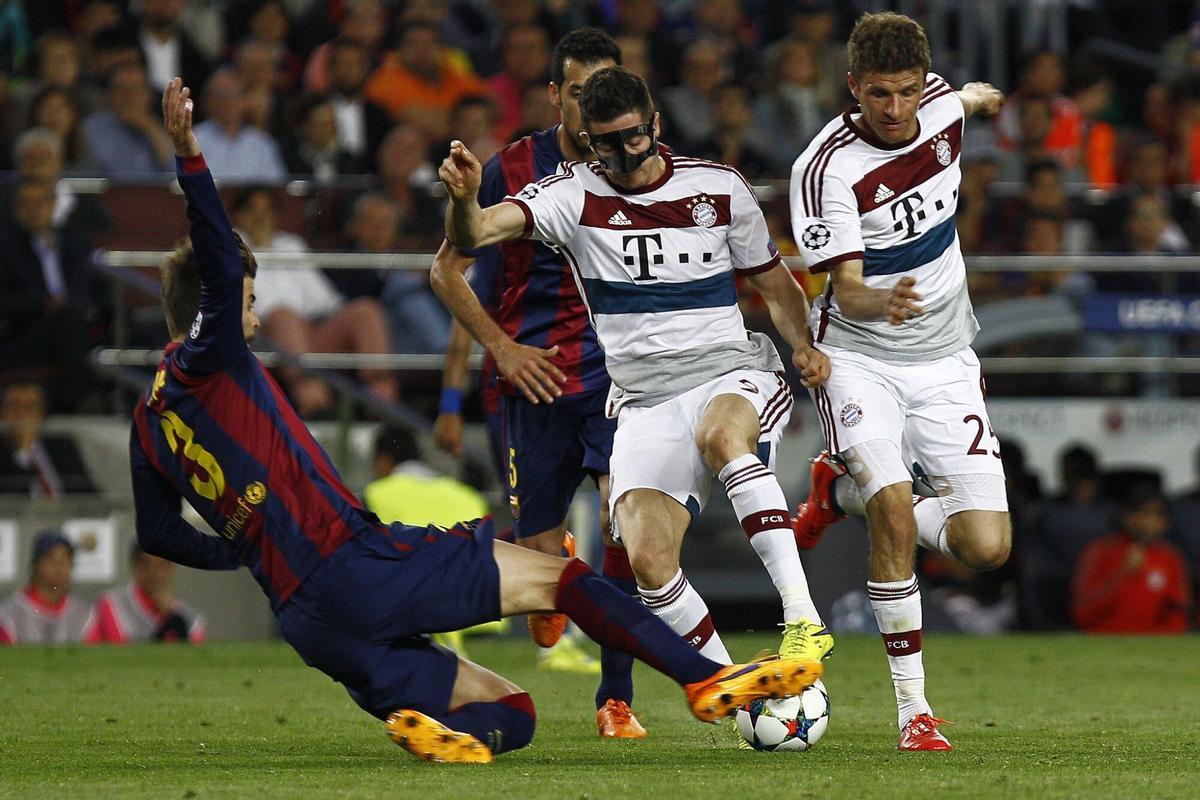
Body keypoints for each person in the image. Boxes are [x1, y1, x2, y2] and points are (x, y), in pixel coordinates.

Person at [129, 77, 821, 765]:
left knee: (512, 714)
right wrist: (189, 153)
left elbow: (158, 533)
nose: (252, 318)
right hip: (356, 563)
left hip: (307, 620)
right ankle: (706, 680)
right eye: (248, 301)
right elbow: (219, 258)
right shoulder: (211, 356)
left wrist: (248, 550)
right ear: (212, 310)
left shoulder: (148, 421)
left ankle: (459, 740)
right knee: (564, 578)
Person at [439, 65, 837, 734]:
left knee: (723, 438)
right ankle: (733, 689)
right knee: (651, 568)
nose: (623, 156)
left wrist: (803, 345)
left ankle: (803, 621)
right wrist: (464, 198)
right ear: (586, 141)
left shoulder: (718, 187)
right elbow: (475, 233)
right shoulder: (573, 193)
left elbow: (774, 285)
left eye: (633, 138)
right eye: (605, 144)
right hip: (645, 401)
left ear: (655, 125)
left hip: (728, 369)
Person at [787, 12, 1008, 751]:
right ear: (853, 87)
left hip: (946, 356)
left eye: (907, 91)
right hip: (861, 354)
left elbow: (963, 100)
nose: (895, 109)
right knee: (893, 510)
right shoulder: (827, 171)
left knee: (985, 548)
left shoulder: (940, 103)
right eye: (878, 94)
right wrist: (881, 301)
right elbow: (843, 290)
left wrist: (981, 95)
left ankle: (835, 491)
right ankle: (914, 713)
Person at [431, 29, 633, 731]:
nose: (591, 106)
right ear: (555, 96)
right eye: (579, 92)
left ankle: (616, 699)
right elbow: (448, 271)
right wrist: (501, 351)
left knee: (627, 522)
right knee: (544, 578)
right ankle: (553, 574)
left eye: (603, 91)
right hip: (534, 385)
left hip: (614, 379)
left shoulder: (636, 167)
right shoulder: (510, 168)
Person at [1071, 485, 1191, 635]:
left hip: (1153, 648)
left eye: (1158, 515)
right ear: (1127, 516)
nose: (1150, 522)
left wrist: (1155, 641)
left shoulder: (1171, 557)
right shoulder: (1099, 552)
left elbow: (1178, 617)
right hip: (1101, 643)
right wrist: (1124, 573)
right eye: (1145, 513)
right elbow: (1082, 614)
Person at [84, 543, 207, 643]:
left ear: (172, 568)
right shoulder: (111, 603)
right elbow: (121, 654)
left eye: (160, 566)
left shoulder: (192, 620)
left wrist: (172, 617)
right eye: (145, 564)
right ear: (134, 566)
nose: (153, 573)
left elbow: (191, 661)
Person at [0, 380, 97, 496]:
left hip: (68, 512)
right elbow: (11, 501)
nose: (22, 414)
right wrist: (24, 451)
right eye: (14, 406)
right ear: (3, 413)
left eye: (30, 407)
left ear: (41, 414)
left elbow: (89, 493)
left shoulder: (62, 445)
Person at [0, 530, 91, 645]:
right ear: (35, 565)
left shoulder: (83, 614)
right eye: (51, 558)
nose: (59, 565)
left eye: (65, 559)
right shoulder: (9, 614)